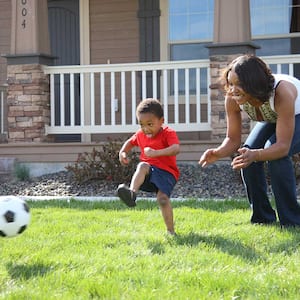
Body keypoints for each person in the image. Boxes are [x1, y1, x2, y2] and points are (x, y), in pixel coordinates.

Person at [199, 54, 300, 227]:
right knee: (246, 153)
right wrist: (218, 152)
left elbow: (282, 147)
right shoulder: (232, 97)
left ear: (254, 83)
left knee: (274, 153)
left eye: (239, 84)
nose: (233, 89)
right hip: (275, 117)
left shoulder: (282, 93)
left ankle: (292, 220)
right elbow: (232, 139)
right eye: (231, 83)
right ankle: (263, 218)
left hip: (297, 114)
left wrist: (258, 154)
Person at [117, 98, 180, 235]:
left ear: (161, 121)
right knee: (143, 165)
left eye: (150, 124)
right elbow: (130, 142)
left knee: (163, 200)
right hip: (149, 172)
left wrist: (156, 153)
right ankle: (132, 194)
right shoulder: (140, 134)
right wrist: (123, 152)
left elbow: (175, 148)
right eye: (142, 125)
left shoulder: (168, 133)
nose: (145, 129)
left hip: (167, 173)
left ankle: (171, 231)